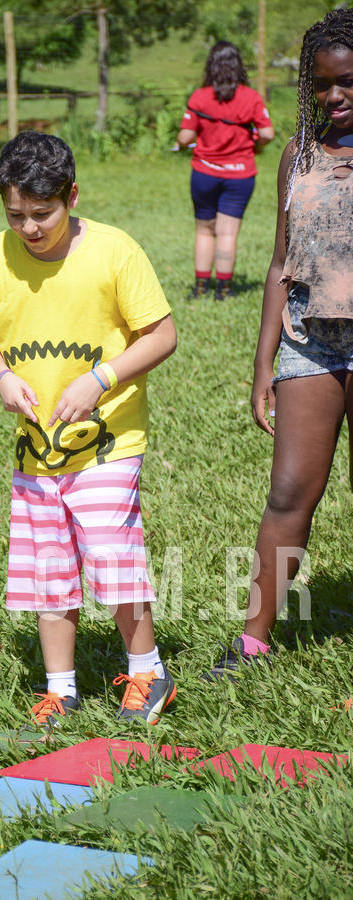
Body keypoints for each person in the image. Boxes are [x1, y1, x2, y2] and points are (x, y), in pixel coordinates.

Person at [0, 131, 178, 726]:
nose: (29, 228)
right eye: (16, 215)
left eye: (43, 213)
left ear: (71, 196)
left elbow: (162, 334)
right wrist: (1, 376)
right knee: (47, 566)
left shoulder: (114, 251)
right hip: (36, 450)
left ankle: (148, 673)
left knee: (111, 554)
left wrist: (100, 379)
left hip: (111, 441)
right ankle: (62, 689)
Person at [204, 8, 353, 680]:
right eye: (322, 85)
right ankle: (253, 642)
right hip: (309, 343)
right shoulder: (298, 154)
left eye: (347, 82)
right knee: (291, 489)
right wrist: (263, 362)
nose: (335, 96)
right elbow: (278, 263)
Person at [177, 41, 274, 300]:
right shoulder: (250, 97)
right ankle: (224, 290)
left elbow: (185, 137)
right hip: (241, 175)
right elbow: (267, 133)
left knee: (204, 229)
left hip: (204, 174)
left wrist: (181, 142)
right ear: (238, 66)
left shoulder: (200, 96)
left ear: (211, 66)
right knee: (227, 232)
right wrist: (256, 144)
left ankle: (200, 288)